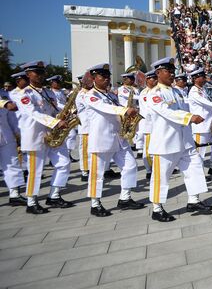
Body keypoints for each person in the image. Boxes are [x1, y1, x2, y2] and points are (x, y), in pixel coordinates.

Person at [146, 57, 212, 222]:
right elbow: (166, 112)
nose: (172, 74)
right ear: (158, 73)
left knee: (195, 168)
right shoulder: (155, 93)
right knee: (161, 176)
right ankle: (157, 208)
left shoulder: (177, 92)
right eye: (168, 71)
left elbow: (183, 109)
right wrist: (190, 117)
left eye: (173, 71)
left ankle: (194, 200)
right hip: (166, 142)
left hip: (185, 140)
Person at [82, 63, 144, 215]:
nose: (106, 79)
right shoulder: (90, 95)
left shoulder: (110, 95)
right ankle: (95, 204)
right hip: (101, 140)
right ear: (94, 78)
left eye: (107, 76)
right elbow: (105, 108)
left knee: (130, 166)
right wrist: (124, 110)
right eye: (102, 76)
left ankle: (125, 198)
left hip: (119, 138)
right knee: (97, 173)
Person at [14, 61, 73, 213]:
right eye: (37, 73)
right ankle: (31, 202)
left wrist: (67, 114)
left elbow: (54, 110)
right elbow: (33, 113)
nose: (40, 76)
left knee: (64, 163)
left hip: (52, 135)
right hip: (35, 136)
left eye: (42, 73)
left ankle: (54, 195)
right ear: (28, 74)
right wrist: (55, 122)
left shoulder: (48, 92)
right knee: (36, 170)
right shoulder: (24, 94)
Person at [187, 68, 212, 179]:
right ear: (195, 79)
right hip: (201, 127)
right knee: (199, 153)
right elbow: (205, 103)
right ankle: (198, 175)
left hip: (211, 124)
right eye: (202, 77)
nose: (205, 78)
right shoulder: (194, 91)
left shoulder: (202, 89)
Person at [0, 97, 24, 206]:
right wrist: (5, 103)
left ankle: (15, 195)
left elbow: (11, 118)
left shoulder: (2, 96)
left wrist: (17, 134)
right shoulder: (4, 101)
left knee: (12, 164)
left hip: (6, 136)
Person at [137, 71, 158, 179]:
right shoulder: (145, 93)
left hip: (156, 125)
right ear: (147, 80)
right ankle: (149, 170)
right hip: (149, 125)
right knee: (148, 149)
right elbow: (149, 110)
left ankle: (156, 167)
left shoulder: (156, 91)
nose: (155, 80)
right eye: (152, 78)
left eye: (156, 78)